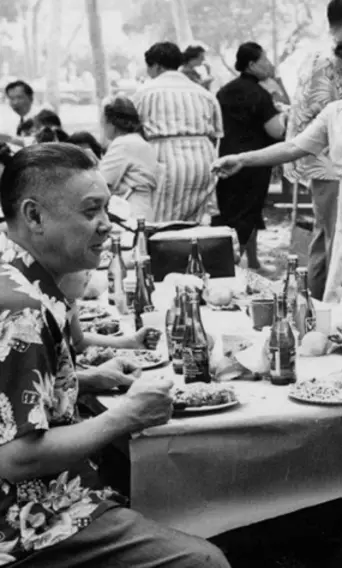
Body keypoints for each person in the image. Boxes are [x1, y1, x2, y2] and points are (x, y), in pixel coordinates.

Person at [0, 142, 230, 567]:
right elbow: (16, 457)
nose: (107, 226)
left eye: (107, 210)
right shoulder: (22, 312)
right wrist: (127, 416)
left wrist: (86, 379)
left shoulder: (13, 271)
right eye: (91, 212)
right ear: (34, 216)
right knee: (203, 560)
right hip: (23, 522)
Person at [213, 34, 342, 299]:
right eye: (337, 76)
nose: (341, 84)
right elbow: (293, 147)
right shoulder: (336, 112)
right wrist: (242, 159)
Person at [284, 0, 342, 300]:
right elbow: (340, 115)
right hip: (331, 161)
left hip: (318, 161)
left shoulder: (315, 54)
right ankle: (323, 307)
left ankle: (311, 304)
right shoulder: (333, 59)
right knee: (337, 241)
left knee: (325, 239)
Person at [132, 41, 223, 223]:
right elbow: (217, 135)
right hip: (204, 160)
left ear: (156, 66)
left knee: (160, 220)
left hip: (164, 157)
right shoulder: (204, 94)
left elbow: (133, 132)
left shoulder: (144, 93)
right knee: (195, 221)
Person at [214, 42, 286, 271]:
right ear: (252, 64)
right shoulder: (259, 94)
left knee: (231, 212)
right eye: (264, 59)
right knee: (250, 212)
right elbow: (276, 131)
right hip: (254, 160)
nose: (269, 64)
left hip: (225, 159)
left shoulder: (223, 92)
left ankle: (245, 261)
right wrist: (283, 115)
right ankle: (238, 264)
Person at [99, 95, 159, 221]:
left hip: (127, 215)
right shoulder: (141, 142)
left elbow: (102, 183)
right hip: (145, 211)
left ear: (112, 123)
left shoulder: (122, 144)